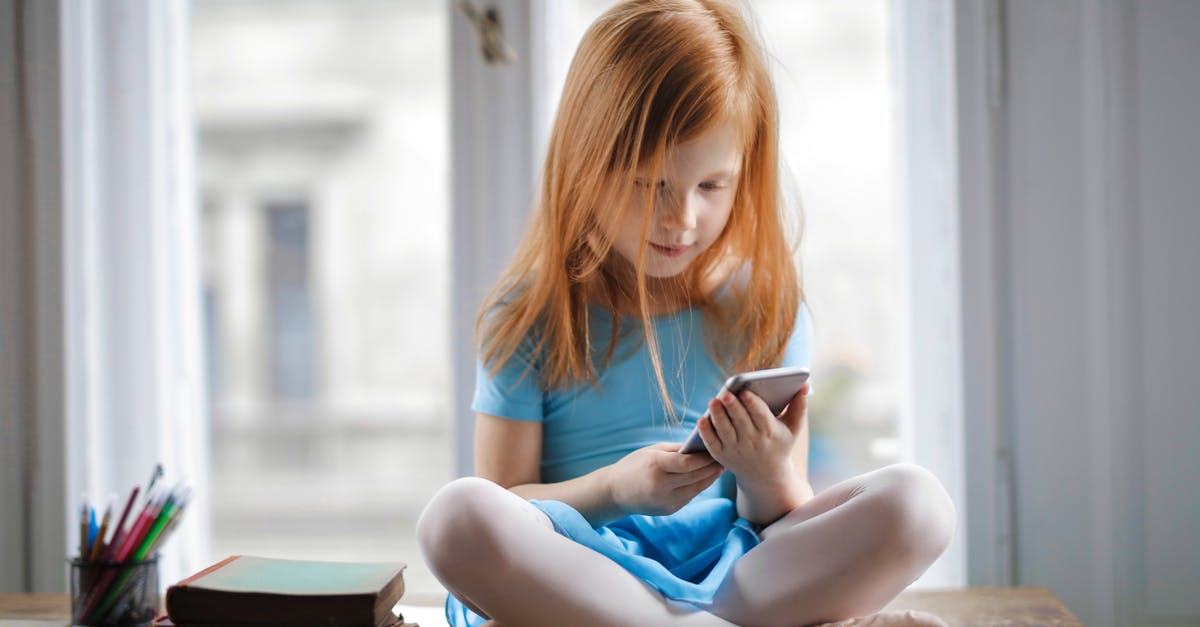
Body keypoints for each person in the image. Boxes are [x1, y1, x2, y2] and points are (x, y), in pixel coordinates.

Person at [417, 1, 955, 625]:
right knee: (456, 517)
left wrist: (767, 471)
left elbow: (781, 520)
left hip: (732, 576)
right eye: (651, 187)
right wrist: (616, 490)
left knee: (920, 504)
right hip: (587, 576)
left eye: (711, 186)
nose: (682, 219)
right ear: (586, 166)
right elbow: (508, 503)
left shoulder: (767, 310)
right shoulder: (531, 316)